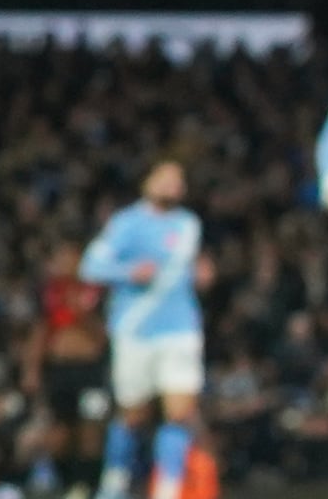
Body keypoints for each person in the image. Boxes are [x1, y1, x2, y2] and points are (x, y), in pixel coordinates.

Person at [82, 159, 211, 499]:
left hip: (180, 328)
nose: (171, 185)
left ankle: (167, 489)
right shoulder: (127, 223)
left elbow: (183, 269)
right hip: (135, 329)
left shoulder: (188, 225)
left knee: (180, 412)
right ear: (147, 182)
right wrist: (129, 273)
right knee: (132, 415)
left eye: (177, 179)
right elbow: (91, 266)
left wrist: (200, 276)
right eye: (164, 178)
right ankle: (115, 483)